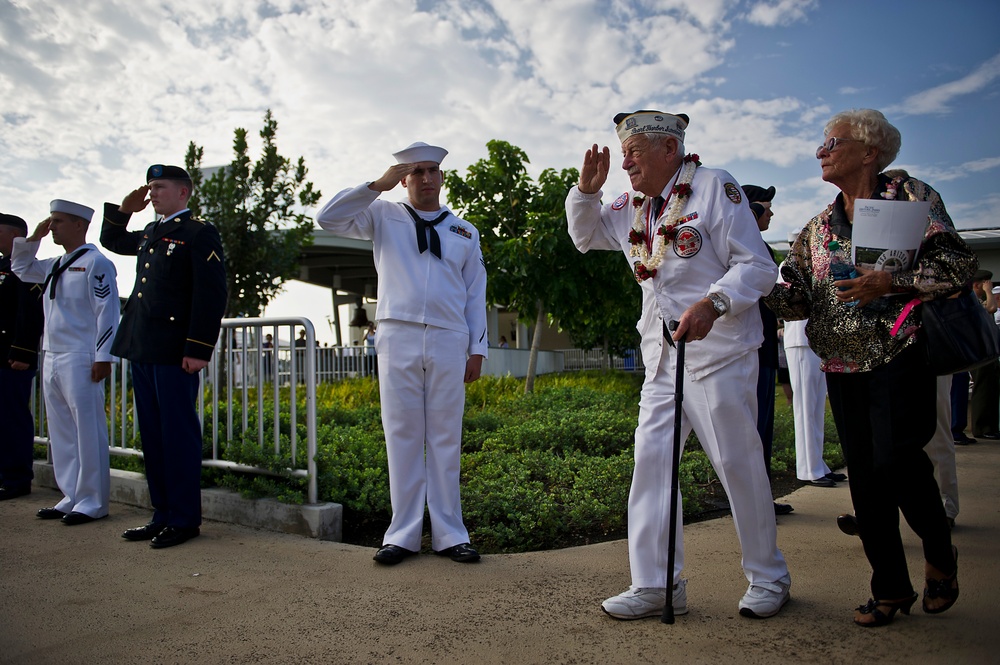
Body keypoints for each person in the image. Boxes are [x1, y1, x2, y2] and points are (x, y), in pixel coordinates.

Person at [566, 110, 791, 620]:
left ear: (670, 150)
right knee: (651, 465)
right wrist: (585, 191)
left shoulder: (714, 188)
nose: (625, 161)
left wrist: (713, 304)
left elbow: (756, 265)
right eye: (623, 152)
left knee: (737, 463)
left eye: (635, 152)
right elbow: (585, 236)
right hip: (662, 356)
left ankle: (768, 575)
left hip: (718, 352)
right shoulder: (630, 206)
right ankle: (654, 583)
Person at [766, 109, 969, 627]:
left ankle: (940, 557)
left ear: (869, 151)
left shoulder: (911, 199)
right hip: (840, 363)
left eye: (832, 142)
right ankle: (891, 589)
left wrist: (892, 282)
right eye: (821, 144)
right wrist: (748, 278)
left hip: (902, 351)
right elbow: (795, 299)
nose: (820, 151)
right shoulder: (814, 229)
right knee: (865, 478)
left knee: (898, 461)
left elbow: (956, 267)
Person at [316, 142, 488, 565]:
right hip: (397, 333)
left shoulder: (464, 230)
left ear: (442, 177)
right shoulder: (383, 215)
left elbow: (474, 293)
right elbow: (328, 218)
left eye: (433, 171)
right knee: (402, 435)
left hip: (449, 338)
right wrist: (378, 185)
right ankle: (403, 534)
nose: (426, 178)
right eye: (417, 172)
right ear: (405, 178)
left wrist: (477, 348)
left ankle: (451, 533)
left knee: (446, 437)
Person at [101, 164, 227, 549]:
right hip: (142, 345)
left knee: (177, 434)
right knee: (153, 436)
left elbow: (211, 293)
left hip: (175, 351)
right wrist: (124, 210)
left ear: (183, 193)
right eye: (150, 186)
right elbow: (113, 240)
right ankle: (162, 515)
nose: (151, 192)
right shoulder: (151, 233)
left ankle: (185, 519)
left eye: (159, 186)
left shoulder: (197, 232)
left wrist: (198, 348)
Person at [11, 200, 119, 525]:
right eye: (51, 220)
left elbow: (108, 312)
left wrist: (103, 356)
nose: (52, 225)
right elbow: (20, 268)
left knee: (87, 431)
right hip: (53, 355)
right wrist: (33, 239)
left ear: (79, 225)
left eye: (58, 221)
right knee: (61, 431)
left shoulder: (96, 262)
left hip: (81, 355)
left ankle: (93, 502)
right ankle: (71, 495)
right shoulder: (56, 262)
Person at [744, 185, 793, 516]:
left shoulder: (753, 242)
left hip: (762, 346)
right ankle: (756, 503)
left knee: (761, 427)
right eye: (765, 207)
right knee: (755, 428)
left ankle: (759, 499)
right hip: (755, 346)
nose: (771, 213)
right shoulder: (747, 243)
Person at [0, 213, 44, 501]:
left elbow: (30, 313)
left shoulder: (26, 269)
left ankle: (16, 479)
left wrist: (24, 351)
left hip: (13, 355)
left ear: (16, 235)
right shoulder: (3, 266)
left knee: (11, 416)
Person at [969, 270, 1000, 439]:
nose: (989, 287)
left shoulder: (978, 300)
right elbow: (992, 308)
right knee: (983, 387)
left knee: (991, 387)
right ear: (977, 284)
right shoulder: (972, 300)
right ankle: (982, 427)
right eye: (986, 283)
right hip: (979, 351)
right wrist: (989, 291)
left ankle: (990, 426)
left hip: (987, 350)